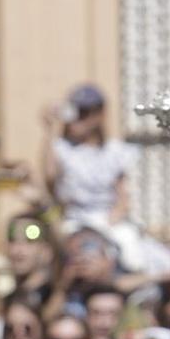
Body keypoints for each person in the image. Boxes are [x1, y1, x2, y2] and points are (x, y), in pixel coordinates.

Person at [42, 85, 138, 241]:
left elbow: (123, 197)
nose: (76, 119)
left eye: (83, 113)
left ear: (98, 115)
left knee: (132, 252)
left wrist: (108, 224)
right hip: (74, 221)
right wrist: (50, 128)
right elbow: (50, 177)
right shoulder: (62, 148)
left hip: (108, 222)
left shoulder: (114, 151)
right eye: (74, 112)